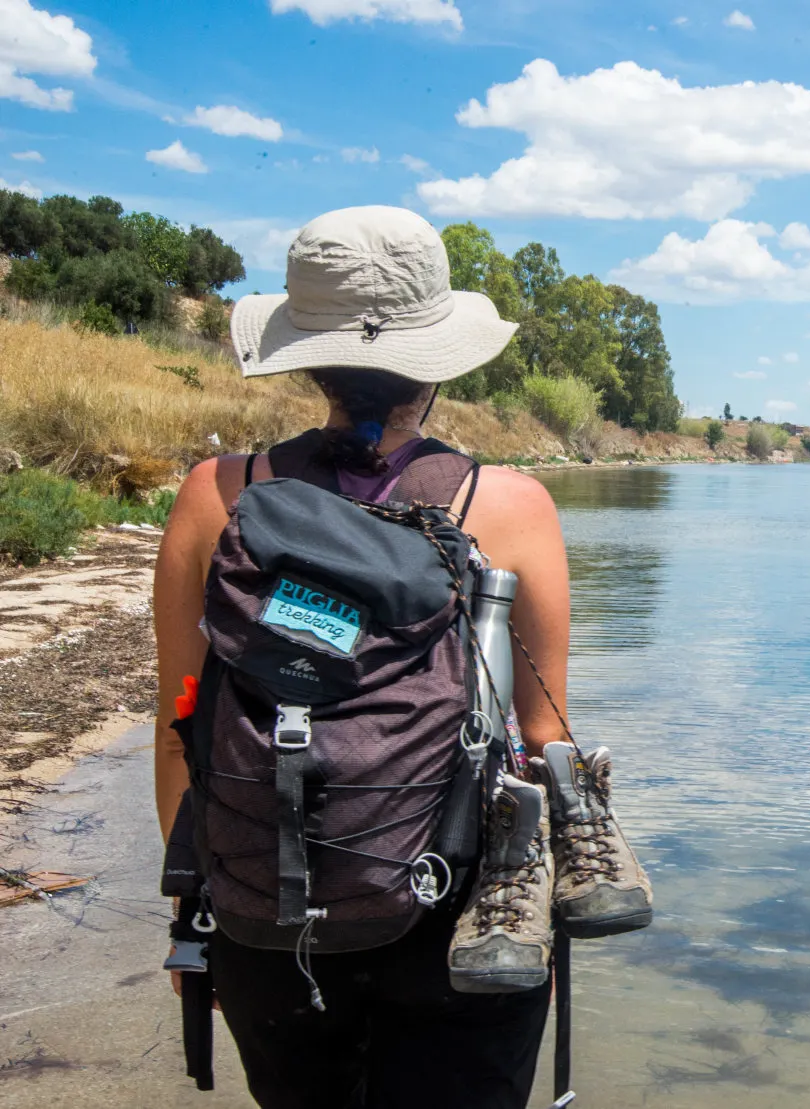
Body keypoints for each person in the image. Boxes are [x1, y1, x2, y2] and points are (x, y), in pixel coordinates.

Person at [152, 206, 573, 1108]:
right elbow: (543, 736)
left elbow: (178, 724)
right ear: (436, 360)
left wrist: (205, 909)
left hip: (266, 913)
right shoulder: (509, 504)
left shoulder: (215, 492)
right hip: (456, 913)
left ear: (306, 356)